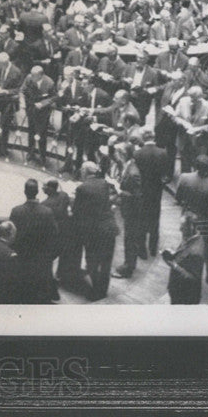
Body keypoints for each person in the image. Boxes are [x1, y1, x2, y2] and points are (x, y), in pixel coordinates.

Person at [72, 161, 118, 301]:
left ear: (85, 171)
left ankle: (96, 290)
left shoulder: (82, 188)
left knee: (92, 260)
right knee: (106, 262)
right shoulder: (104, 183)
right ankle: (103, 290)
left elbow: (76, 210)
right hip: (109, 227)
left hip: (94, 231)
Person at [175, 155, 208, 285]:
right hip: (206, 221)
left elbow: (178, 198)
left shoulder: (184, 178)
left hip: (188, 217)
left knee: (186, 241)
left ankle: (182, 269)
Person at [10, 179, 60, 303]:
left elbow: (11, 234)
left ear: (25, 192)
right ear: (37, 192)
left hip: (23, 256)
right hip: (41, 256)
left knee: (24, 287)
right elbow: (54, 234)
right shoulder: (47, 212)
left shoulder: (16, 211)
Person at [133, 129, 169, 256]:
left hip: (142, 191)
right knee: (155, 219)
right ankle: (153, 248)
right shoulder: (163, 153)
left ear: (143, 137)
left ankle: (142, 249)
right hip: (156, 192)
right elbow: (165, 174)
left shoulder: (137, 154)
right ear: (154, 138)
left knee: (141, 219)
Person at [111, 144, 144, 279]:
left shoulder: (133, 172)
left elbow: (136, 196)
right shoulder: (129, 166)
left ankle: (128, 267)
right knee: (129, 237)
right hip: (130, 209)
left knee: (130, 238)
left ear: (123, 154)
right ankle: (130, 263)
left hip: (133, 211)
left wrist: (119, 191)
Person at [163, 214, 205, 304]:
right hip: (178, 291)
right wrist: (174, 254)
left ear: (191, 227)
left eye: (183, 227)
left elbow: (193, 278)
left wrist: (174, 265)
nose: (180, 229)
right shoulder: (189, 238)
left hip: (185, 296)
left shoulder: (196, 250)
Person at [22, 65, 56, 165]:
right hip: (31, 109)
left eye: (34, 75)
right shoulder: (29, 78)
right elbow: (23, 90)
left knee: (42, 134)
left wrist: (43, 103)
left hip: (43, 112)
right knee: (31, 132)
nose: (31, 77)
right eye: (31, 74)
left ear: (41, 75)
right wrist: (22, 101)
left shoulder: (49, 83)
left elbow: (54, 97)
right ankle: (30, 153)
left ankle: (42, 155)